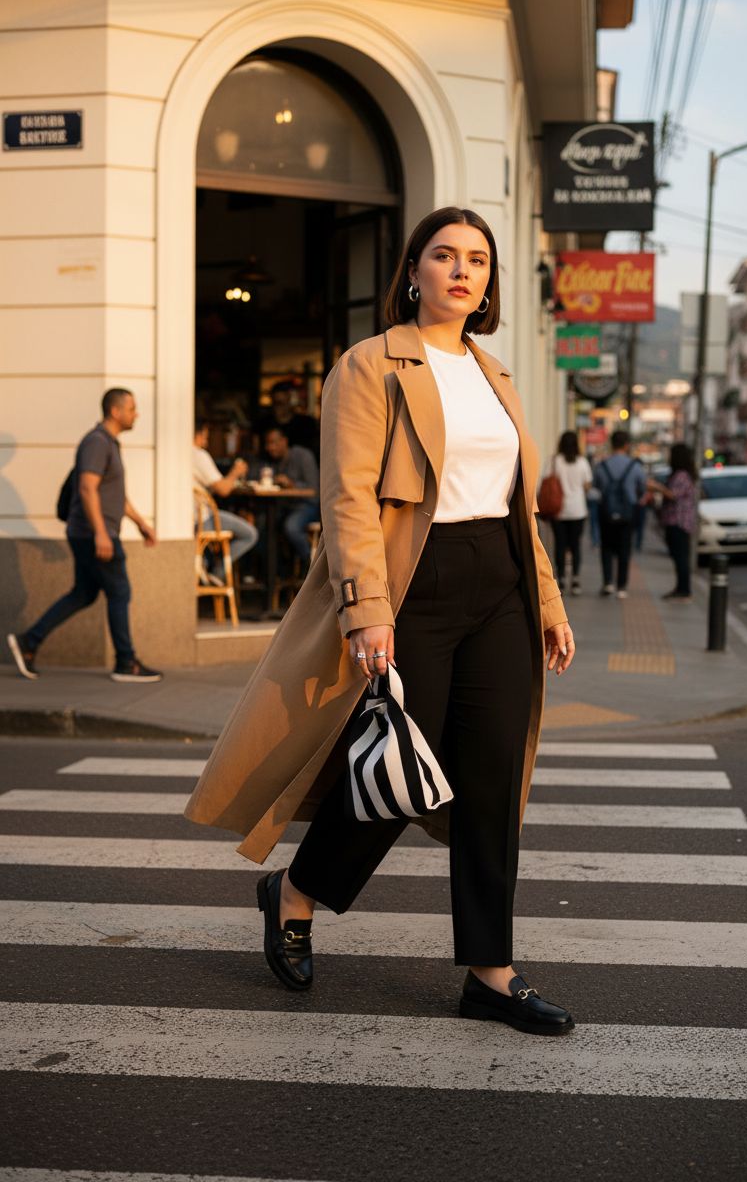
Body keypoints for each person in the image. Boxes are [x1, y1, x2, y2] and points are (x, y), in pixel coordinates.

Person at [185, 207, 577, 1037]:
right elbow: (348, 498)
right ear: (414, 272)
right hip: (414, 584)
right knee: (397, 772)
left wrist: (547, 603)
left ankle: (491, 974)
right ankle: (296, 891)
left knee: (493, 783)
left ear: (489, 282)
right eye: (445, 255)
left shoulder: (495, 373)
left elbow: (518, 509)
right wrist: (367, 608)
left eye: (477, 260)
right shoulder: (371, 364)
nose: (462, 271)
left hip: (500, 586)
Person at [7, 389, 161, 682]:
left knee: (83, 594)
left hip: (92, 532)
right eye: (132, 408)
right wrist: (101, 533)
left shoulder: (108, 443)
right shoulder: (97, 442)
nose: (136, 414)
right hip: (93, 534)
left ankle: (29, 642)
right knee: (120, 591)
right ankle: (126, 662)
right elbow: (88, 488)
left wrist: (141, 523)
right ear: (115, 411)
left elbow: (114, 494)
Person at [192, 422, 259, 581]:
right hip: (201, 519)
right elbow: (223, 489)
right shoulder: (198, 454)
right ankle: (216, 572)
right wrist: (235, 472)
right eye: (205, 437)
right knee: (250, 534)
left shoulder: (177, 453)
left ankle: (205, 565)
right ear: (197, 435)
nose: (206, 443)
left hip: (187, 519)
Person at [252, 426, 320, 568]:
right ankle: (278, 571)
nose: (270, 448)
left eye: (273, 443)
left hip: (307, 505)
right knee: (262, 526)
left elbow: (314, 489)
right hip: (285, 505)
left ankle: (310, 565)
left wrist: (292, 484)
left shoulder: (303, 456)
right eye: (267, 444)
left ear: (284, 441)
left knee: (291, 527)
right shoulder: (272, 461)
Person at [593, 430, 647, 599]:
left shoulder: (602, 466)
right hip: (627, 512)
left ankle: (608, 582)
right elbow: (642, 487)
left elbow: (596, 486)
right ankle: (622, 586)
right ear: (626, 445)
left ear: (612, 444)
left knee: (606, 547)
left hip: (606, 511)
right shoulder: (635, 466)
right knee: (625, 548)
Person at [648, 443, 697, 602]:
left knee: (681, 557)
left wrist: (657, 487)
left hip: (678, 521)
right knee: (678, 556)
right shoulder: (681, 474)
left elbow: (673, 494)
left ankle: (684, 590)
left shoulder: (681, 475)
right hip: (675, 521)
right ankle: (681, 588)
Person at [549, 430, 592, 595]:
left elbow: (544, 483)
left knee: (559, 545)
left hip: (558, 510)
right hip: (577, 511)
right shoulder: (582, 462)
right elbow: (587, 486)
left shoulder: (554, 461)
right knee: (575, 545)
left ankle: (561, 578)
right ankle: (575, 580)